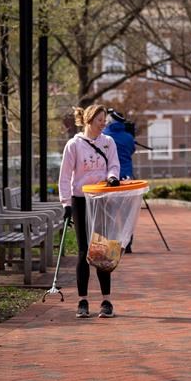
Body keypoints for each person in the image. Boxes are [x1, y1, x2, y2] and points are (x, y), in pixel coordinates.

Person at [58, 104, 120, 319]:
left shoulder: (108, 142)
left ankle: (106, 301)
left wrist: (113, 177)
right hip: (81, 200)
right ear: (89, 121)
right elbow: (65, 176)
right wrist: (66, 203)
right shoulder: (74, 145)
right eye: (99, 120)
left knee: (103, 250)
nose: (103, 124)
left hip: (102, 199)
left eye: (105, 120)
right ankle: (82, 301)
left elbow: (114, 165)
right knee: (84, 250)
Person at [103, 108, 136, 253]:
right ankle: (127, 243)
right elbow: (131, 150)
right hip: (127, 177)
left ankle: (112, 242)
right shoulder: (128, 137)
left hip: (111, 179)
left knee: (110, 212)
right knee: (126, 213)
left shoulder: (104, 135)